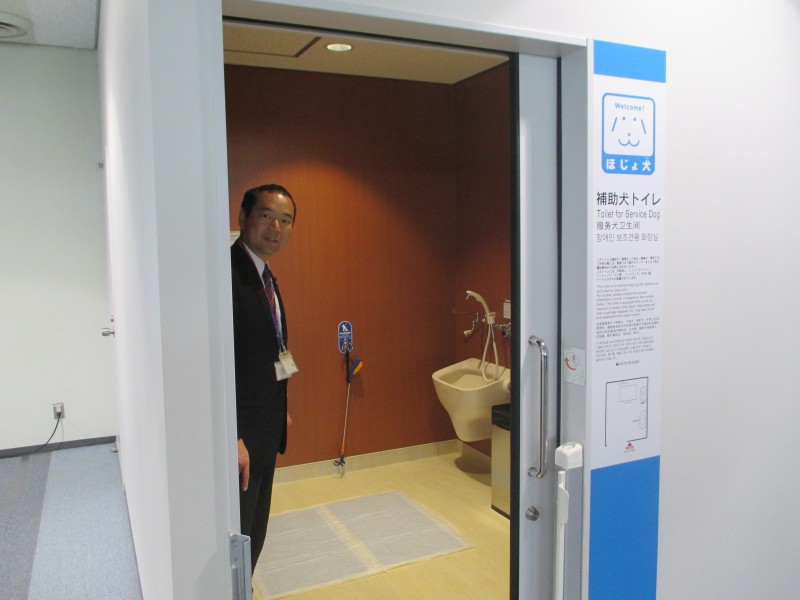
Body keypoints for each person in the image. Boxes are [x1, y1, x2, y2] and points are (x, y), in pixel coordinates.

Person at [231, 183, 298, 571]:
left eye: (285, 220)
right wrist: (232, 435)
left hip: (264, 427)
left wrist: (280, 408)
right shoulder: (229, 275)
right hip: (242, 437)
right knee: (240, 529)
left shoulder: (264, 276)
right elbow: (218, 365)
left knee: (256, 524)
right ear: (243, 218)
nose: (276, 227)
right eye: (266, 216)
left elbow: (264, 354)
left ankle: (245, 587)